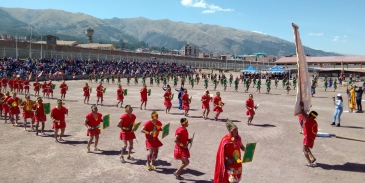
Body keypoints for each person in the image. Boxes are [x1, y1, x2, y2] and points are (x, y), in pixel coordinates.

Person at [299, 102, 318, 167]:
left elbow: (302, 112)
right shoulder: (314, 121)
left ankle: (309, 162)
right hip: (312, 138)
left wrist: (302, 106)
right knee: (306, 148)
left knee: (304, 150)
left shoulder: (308, 119)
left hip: (307, 138)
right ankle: (312, 158)